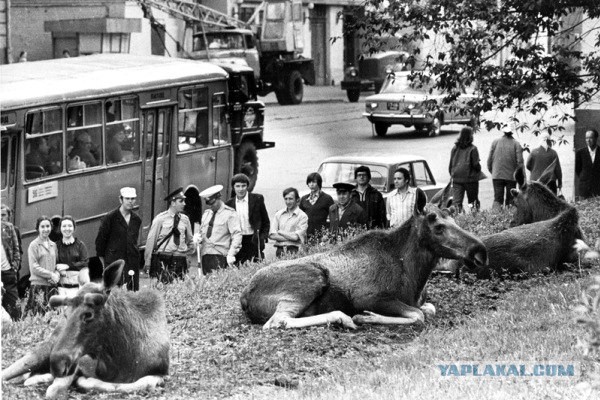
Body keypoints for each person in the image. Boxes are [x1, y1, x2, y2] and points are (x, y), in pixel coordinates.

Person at [95, 187, 142, 291]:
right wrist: (104, 263)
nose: (130, 201)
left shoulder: (136, 219)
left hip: (131, 262)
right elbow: (100, 242)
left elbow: (134, 241)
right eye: (127, 198)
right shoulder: (110, 218)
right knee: (114, 292)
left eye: (133, 199)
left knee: (131, 291)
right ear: (121, 199)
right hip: (114, 261)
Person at [144, 187, 194, 283]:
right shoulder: (160, 219)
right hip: (164, 258)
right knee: (162, 288)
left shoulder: (185, 219)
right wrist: (148, 262)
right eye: (181, 201)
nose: (184, 204)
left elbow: (190, 241)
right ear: (173, 203)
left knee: (178, 290)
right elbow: (151, 241)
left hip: (180, 259)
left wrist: (187, 258)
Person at [225, 174, 269, 264]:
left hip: (253, 239)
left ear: (247, 186)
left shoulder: (257, 199)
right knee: (238, 266)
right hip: (238, 241)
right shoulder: (229, 204)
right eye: (237, 186)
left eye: (243, 186)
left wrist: (262, 237)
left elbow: (266, 221)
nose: (240, 189)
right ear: (233, 187)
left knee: (256, 265)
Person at [199, 185, 242, 274]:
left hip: (220, 255)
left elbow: (237, 235)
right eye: (208, 204)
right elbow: (202, 232)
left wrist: (231, 254)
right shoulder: (207, 214)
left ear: (218, 198)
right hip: (205, 255)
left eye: (212, 203)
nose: (210, 206)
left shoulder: (230, 214)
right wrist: (198, 238)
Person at [26, 216, 60, 316]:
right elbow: (34, 267)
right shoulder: (34, 245)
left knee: (52, 317)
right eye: (42, 227)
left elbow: (57, 264)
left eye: (48, 226)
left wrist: (57, 275)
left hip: (51, 286)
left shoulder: (53, 245)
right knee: (38, 317)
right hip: (38, 286)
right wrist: (51, 275)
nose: (46, 229)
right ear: (38, 229)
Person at [487, 126, 524, 208]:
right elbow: (520, 162)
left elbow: (489, 160)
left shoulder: (495, 142)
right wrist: (520, 177)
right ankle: (509, 216)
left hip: (497, 175)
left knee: (497, 198)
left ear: (503, 132)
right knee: (511, 198)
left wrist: (493, 171)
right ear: (512, 133)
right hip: (511, 176)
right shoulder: (516, 144)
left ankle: (496, 216)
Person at [449, 126, 482, 212]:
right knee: (472, 201)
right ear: (470, 136)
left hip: (456, 178)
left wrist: (453, 174)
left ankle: (457, 218)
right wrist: (479, 169)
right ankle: (475, 217)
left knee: (457, 202)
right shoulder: (473, 149)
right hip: (470, 179)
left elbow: (450, 164)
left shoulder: (455, 148)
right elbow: (475, 164)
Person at [270, 187, 308, 257]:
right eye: (286, 199)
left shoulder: (302, 216)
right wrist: (291, 237)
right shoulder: (279, 214)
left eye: (290, 199)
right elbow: (272, 235)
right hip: (279, 250)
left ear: (297, 200)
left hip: (294, 250)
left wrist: (281, 232)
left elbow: (296, 237)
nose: (288, 202)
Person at [56, 216, 89, 296]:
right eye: (64, 226)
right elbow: (53, 262)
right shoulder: (56, 246)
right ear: (60, 228)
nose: (67, 228)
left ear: (74, 228)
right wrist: (57, 268)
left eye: (70, 226)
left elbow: (84, 263)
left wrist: (68, 266)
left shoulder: (80, 245)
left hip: (77, 287)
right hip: (61, 288)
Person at [299, 172, 335, 241]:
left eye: (314, 182)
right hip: (306, 236)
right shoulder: (304, 199)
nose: (311, 184)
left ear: (319, 183)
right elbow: (299, 217)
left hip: (321, 236)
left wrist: (328, 233)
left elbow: (333, 218)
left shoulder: (327, 198)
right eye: (309, 182)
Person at [1, 216, 21, 320]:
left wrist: (14, 268)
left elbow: (16, 249)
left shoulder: (8, 227)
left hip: (7, 273)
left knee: (15, 309)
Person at [575, 129, 600, 199]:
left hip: (598, 188)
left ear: (596, 138)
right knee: (583, 208)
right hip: (584, 189)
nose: (588, 140)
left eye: (591, 138)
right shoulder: (580, 153)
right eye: (586, 138)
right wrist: (585, 177)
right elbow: (578, 169)